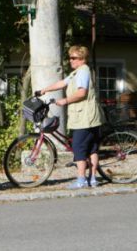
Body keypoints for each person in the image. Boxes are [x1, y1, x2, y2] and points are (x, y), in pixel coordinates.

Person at [35, 45, 104, 189]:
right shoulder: (76, 73)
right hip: (87, 116)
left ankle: (81, 180)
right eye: (70, 57)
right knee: (92, 148)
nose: (70, 60)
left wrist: (64, 101)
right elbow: (62, 83)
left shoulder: (83, 72)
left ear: (82, 59)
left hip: (85, 117)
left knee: (79, 147)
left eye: (73, 58)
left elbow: (81, 93)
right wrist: (44, 90)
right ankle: (92, 179)